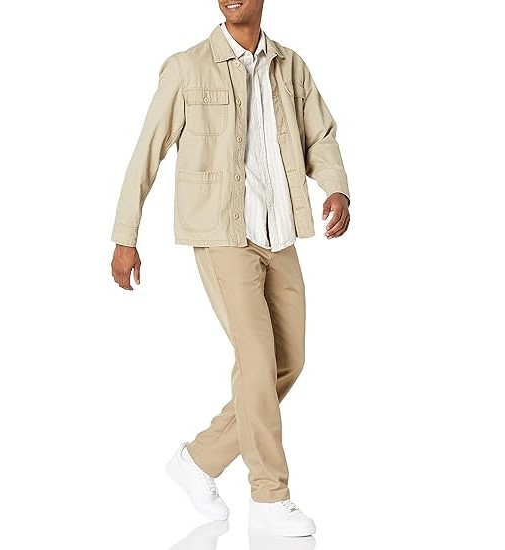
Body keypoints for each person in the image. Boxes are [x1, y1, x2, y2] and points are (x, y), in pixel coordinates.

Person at [110, 0, 350, 537]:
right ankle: (269, 495)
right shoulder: (187, 67)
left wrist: (335, 187)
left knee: (288, 361)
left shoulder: (290, 65)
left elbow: (320, 134)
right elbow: (146, 152)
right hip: (222, 236)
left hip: (279, 231)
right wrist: (126, 235)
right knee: (258, 360)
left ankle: (198, 460)